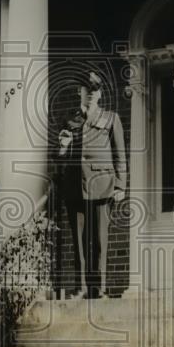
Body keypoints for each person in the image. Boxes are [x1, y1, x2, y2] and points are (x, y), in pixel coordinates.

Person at [56, 71, 127, 298]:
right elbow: (58, 158)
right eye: (86, 91)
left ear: (99, 94)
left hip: (102, 185)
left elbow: (120, 155)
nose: (90, 95)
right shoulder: (69, 119)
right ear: (81, 93)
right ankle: (81, 288)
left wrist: (120, 186)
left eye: (94, 91)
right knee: (78, 242)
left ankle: (99, 288)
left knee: (98, 241)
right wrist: (63, 147)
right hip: (74, 187)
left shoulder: (110, 118)